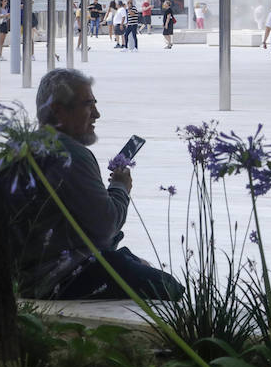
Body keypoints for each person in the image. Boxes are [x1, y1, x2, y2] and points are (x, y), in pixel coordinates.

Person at [9, 69, 183, 300]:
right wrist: (120, 187)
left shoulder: (24, 146)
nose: (97, 114)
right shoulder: (71, 154)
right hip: (59, 277)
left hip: (28, 275)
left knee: (130, 262)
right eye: (88, 105)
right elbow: (107, 225)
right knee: (168, 286)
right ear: (58, 111)